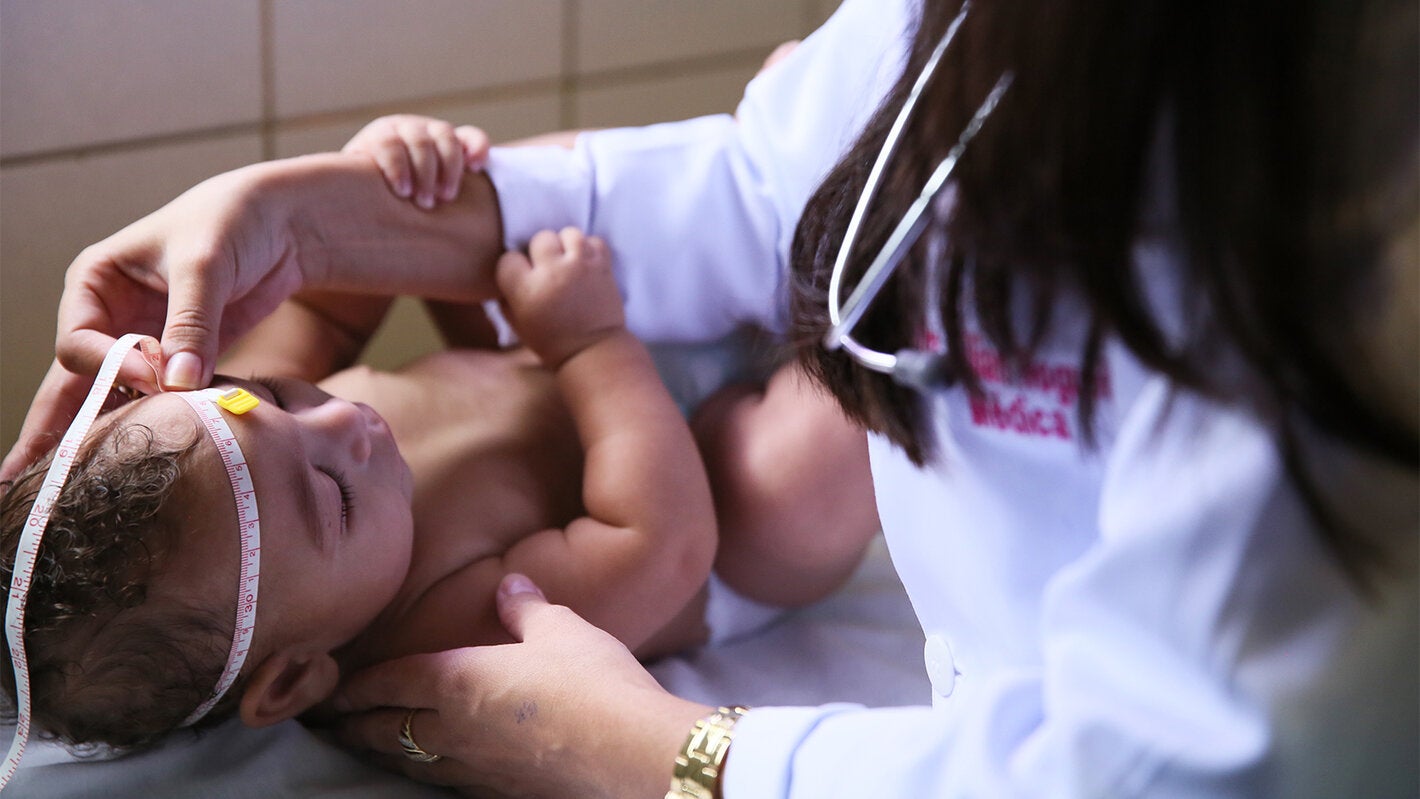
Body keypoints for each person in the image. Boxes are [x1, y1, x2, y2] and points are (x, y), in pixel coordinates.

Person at [3, 0, 1415, 797]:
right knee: (798, 457)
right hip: (703, 509)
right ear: (295, 679)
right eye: (315, 477)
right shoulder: (431, 616)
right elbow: (655, 546)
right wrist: (580, 340)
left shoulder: (1340, 197)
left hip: (611, 371)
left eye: (270, 394)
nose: (337, 417)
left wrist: (367, 181)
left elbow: (340, 307)